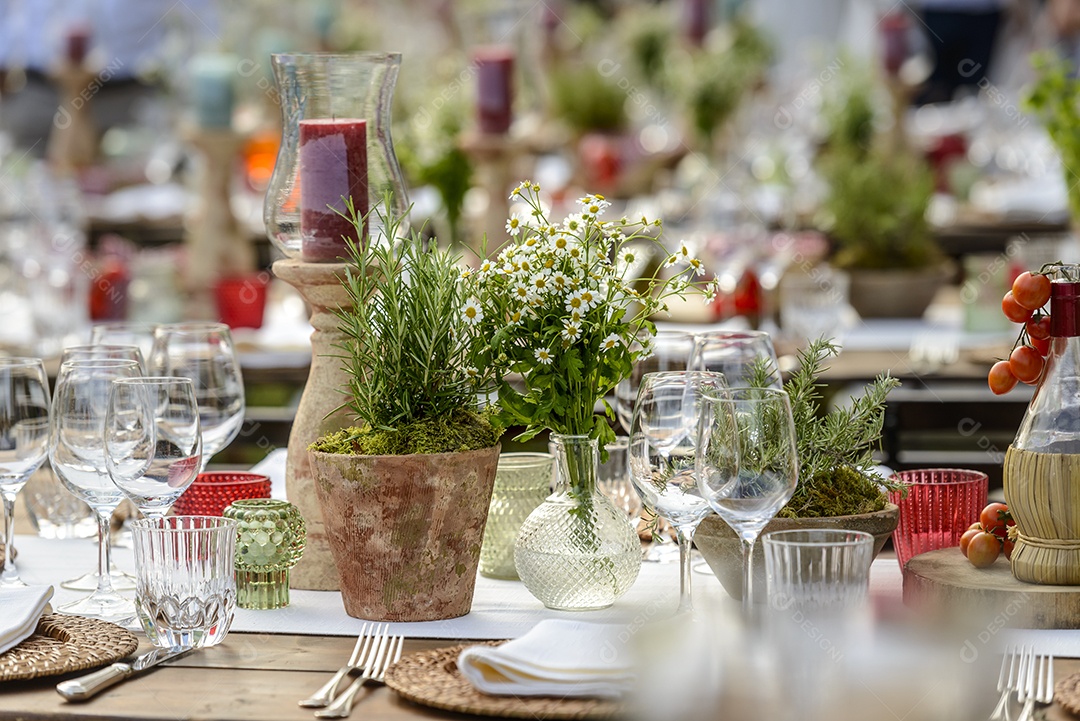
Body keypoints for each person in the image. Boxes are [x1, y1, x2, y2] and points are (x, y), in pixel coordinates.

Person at [0, 0, 217, 154]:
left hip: (131, 101)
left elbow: (203, 22)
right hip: (40, 96)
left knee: (135, 197)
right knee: (33, 194)